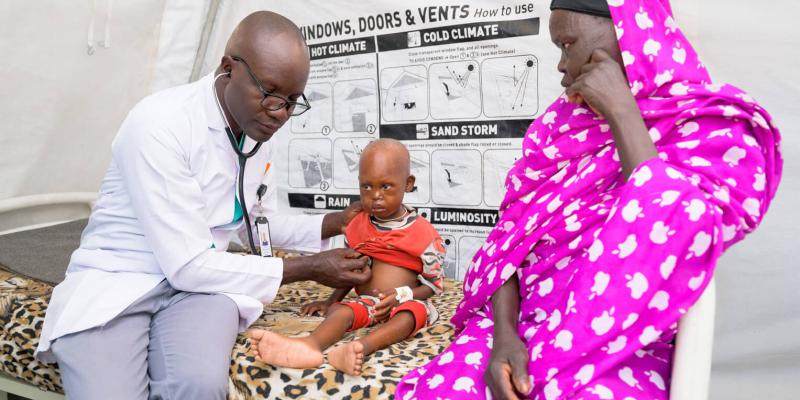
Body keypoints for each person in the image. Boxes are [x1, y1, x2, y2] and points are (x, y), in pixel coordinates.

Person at [396, 0, 782, 399]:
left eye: (568, 44)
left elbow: (677, 230)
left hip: (629, 340)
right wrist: (504, 338)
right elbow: (506, 246)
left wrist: (621, 111)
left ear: (629, 33)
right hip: (521, 324)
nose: (562, 66)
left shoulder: (712, 129)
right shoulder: (556, 130)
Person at [34, 11, 372, 400]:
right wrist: (310, 268)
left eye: (292, 101)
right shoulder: (159, 124)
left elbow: (252, 222)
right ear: (228, 68)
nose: (280, 113)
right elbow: (187, 264)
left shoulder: (255, 130)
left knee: (197, 386)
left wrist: (333, 223)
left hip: (203, 288)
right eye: (270, 93)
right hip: (123, 277)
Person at [248, 139, 446, 376]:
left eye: (386, 186)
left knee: (411, 315)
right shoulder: (358, 225)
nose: (375, 196)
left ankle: (361, 347)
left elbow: (432, 286)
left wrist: (401, 295)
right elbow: (351, 270)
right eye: (366, 187)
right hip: (369, 304)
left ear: (408, 183)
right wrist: (331, 301)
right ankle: (310, 345)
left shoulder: (423, 233)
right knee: (341, 312)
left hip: (404, 301)